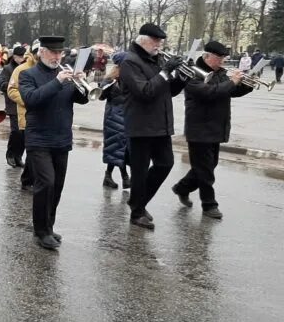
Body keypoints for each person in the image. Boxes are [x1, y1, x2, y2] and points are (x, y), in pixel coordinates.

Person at [19, 36, 90, 250]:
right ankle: (40, 230)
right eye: (52, 52)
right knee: (46, 183)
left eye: (60, 53)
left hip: (61, 138)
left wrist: (82, 84)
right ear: (41, 52)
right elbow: (32, 99)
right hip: (38, 138)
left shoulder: (66, 76)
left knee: (57, 186)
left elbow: (83, 99)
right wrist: (57, 81)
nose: (57, 56)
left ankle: (48, 226)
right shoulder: (27, 75)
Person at [172, 41, 252, 218]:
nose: (222, 61)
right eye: (218, 58)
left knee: (208, 166)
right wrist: (232, 82)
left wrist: (247, 84)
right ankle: (209, 205)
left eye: (224, 58)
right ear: (207, 56)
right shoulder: (193, 72)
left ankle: (182, 187)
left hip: (217, 126)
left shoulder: (221, 73)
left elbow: (231, 92)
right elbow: (209, 93)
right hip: (199, 128)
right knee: (206, 170)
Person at [119, 23, 186, 230]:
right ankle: (137, 213)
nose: (159, 45)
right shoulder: (130, 62)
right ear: (143, 40)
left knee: (165, 164)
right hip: (140, 126)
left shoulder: (155, 60)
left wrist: (182, 78)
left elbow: (166, 91)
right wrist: (165, 71)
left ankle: (138, 202)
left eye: (160, 42)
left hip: (160, 124)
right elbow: (145, 91)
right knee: (139, 171)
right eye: (156, 41)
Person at [8, 41, 39, 191]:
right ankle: (28, 180)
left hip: (45, 116)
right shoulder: (21, 69)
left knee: (37, 150)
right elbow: (12, 90)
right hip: (27, 114)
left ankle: (30, 178)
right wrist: (27, 101)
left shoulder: (50, 70)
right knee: (33, 149)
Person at [100, 52, 130, 189]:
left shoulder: (130, 78)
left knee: (117, 148)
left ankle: (108, 176)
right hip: (114, 117)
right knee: (118, 147)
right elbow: (101, 96)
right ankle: (125, 177)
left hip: (126, 116)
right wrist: (107, 86)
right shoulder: (111, 79)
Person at [0, 46, 27, 168]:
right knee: (16, 132)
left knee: (24, 133)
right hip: (13, 104)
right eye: (20, 57)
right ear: (14, 57)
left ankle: (18, 156)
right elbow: (1, 84)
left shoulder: (26, 68)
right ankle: (10, 154)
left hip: (24, 104)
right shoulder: (8, 69)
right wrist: (13, 85)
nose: (22, 59)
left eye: (23, 56)